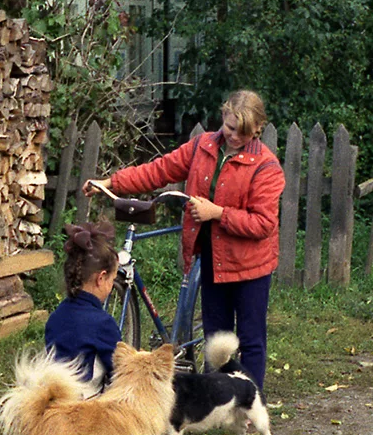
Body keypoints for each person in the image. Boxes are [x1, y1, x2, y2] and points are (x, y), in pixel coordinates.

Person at [83, 90, 285, 391]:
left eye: (242, 132)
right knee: (217, 338)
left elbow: (263, 223)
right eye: (230, 128)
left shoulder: (266, 167)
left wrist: (216, 213)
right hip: (212, 257)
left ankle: (249, 410)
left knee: (250, 339)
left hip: (250, 266)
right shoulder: (201, 147)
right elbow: (159, 170)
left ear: (257, 129)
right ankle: (218, 402)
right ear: (223, 116)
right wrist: (111, 183)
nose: (233, 136)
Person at [44, 220, 121, 394]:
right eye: (112, 280)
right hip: (84, 407)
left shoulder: (56, 316)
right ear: (101, 278)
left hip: (53, 399)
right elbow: (119, 372)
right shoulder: (103, 324)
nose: (111, 286)